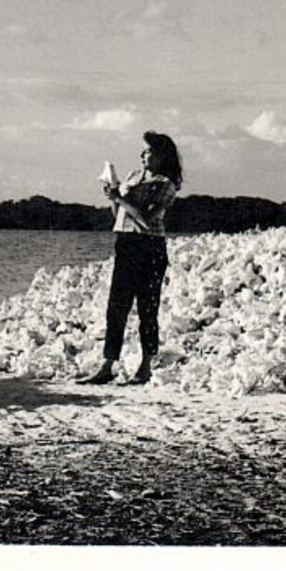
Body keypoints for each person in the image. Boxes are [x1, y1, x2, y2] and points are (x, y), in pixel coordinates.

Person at [79, 131, 182, 386]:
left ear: (161, 155)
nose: (142, 155)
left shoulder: (166, 183)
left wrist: (120, 199)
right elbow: (119, 213)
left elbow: (147, 220)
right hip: (125, 241)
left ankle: (145, 367)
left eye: (147, 151)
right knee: (117, 306)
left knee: (147, 307)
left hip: (149, 245)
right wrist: (113, 197)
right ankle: (108, 364)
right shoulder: (133, 177)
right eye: (143, 151)